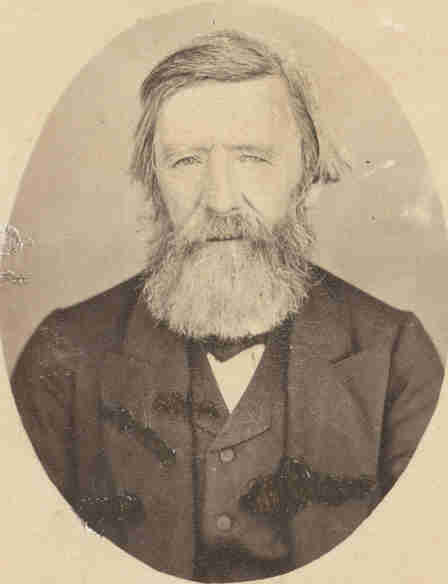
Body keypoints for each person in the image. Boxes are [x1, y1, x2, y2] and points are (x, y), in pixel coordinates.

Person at [11, 30, 444, 582]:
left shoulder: (395, 359)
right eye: (186, 161)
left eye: (253, 158)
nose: (219, 199)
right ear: (153, 183)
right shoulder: (64, 358)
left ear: (308, 176)